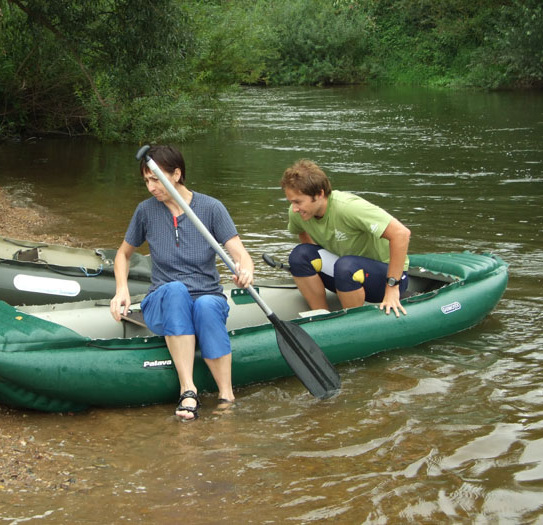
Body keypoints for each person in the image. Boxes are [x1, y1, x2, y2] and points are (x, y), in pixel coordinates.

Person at [110, 145, 254, 422]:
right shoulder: (146, 211)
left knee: (209, 305)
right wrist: (121, 290)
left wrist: (246, 271)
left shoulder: (211, 208)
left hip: (206, 296)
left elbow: (240, 254)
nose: (151, 187)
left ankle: (226, 395)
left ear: (176, 174)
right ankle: (188, 390)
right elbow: (122, 255)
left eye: (157, 179)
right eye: (147, 181)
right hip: (163, 299)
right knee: (176, 290)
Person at [280, 159, 411, 317]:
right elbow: (303, 234)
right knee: (299, 256)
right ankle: (321, 315)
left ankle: (351, 320)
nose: (294, 208)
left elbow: (401, 234)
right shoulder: (298, 213)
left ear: (319, 194)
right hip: (347, 271)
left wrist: (392, 288)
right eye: (291, 202)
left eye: (298, 202)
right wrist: (310, 274)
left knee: (346, 266)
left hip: (384, 277)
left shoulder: (348, 208)